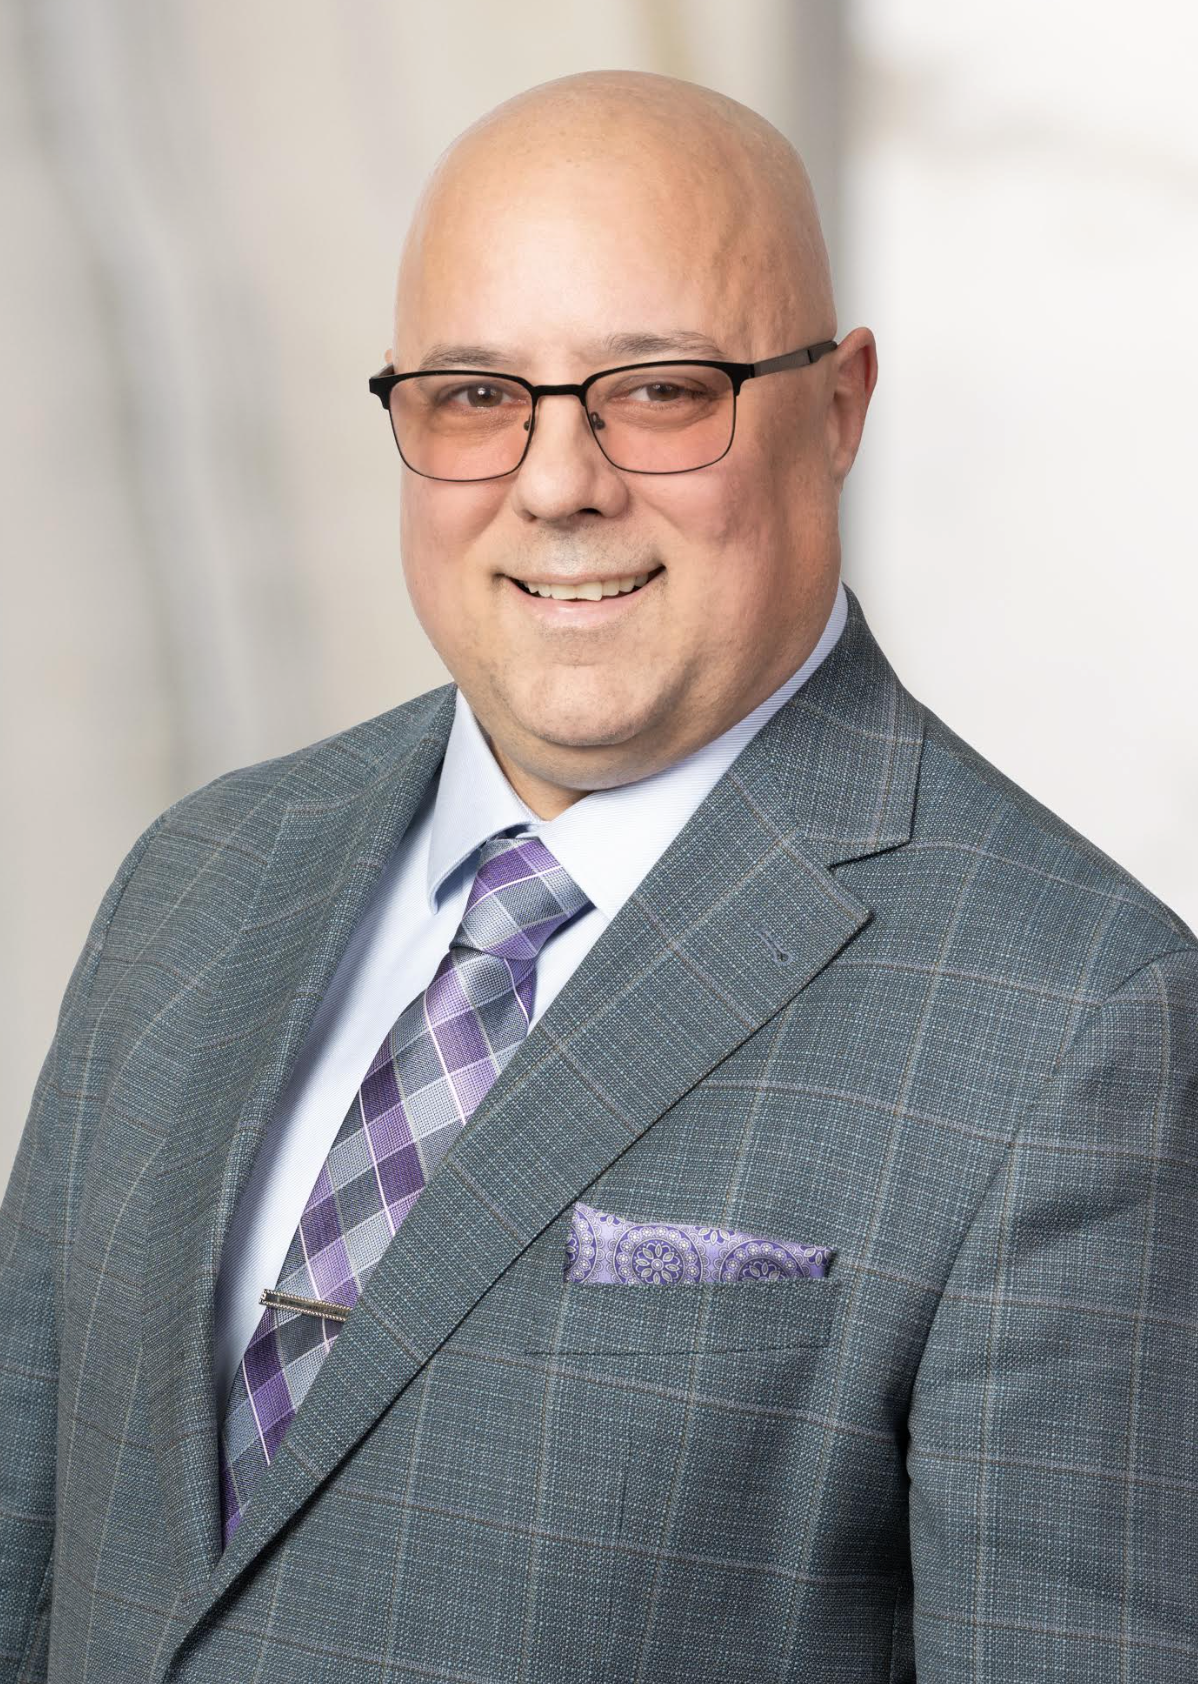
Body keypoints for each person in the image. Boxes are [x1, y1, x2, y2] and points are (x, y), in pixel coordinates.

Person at [1, 68, 1194, 1684]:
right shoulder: (202, 879)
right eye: (475, 394)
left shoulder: (1080, 1025)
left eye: (657, 388)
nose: (556, 482)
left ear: (836, 406)